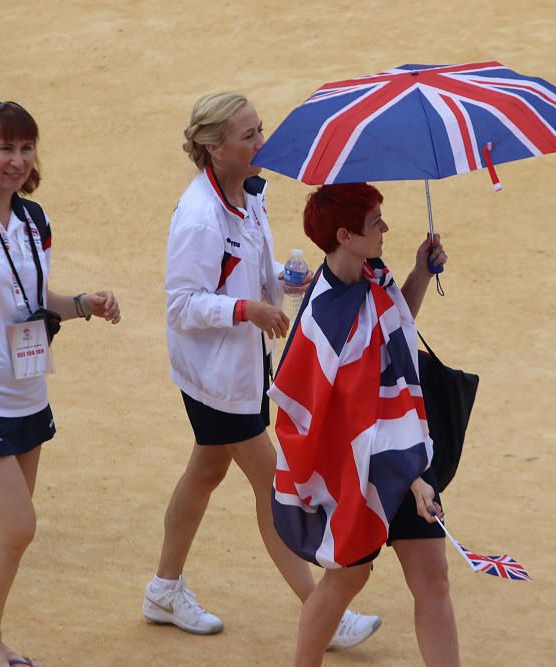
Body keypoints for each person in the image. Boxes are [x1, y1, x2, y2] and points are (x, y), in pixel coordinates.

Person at [143, 93, 381, 649]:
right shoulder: (200, 217)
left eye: (260, 130)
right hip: (216, 378)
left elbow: (242, 268)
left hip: (238, 369)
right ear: (213, 148)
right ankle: (324, 610)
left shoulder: (249, 194)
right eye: (248, 135)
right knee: (274, 484)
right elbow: (181, 304)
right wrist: (248, 309)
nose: (262, 143)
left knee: (205, 473)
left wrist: (280, 279)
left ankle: (163, 588)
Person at [0, 101, 121, 667]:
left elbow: (31, 299)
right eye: (4, 148)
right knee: (17, 524)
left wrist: (82, 304)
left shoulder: (34, 221)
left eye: (25, 148)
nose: (16, 159)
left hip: (25, 392)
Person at [269, 183, 458, 667]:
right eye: (376, 222)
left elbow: (396, 326)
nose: (385, 229)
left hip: (402, 445)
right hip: (355, 471)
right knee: (348, 579)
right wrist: (412, 478)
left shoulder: (373, 273)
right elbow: (351, 426)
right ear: (345, 234)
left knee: (433, 578)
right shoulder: (326, 322)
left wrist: (418, 271)